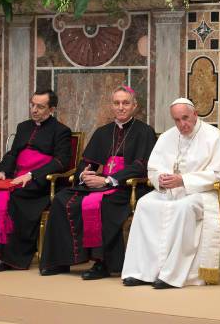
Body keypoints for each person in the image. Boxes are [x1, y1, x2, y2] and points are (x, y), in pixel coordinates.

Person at [121, 98, 220, 289]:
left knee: (183, 208)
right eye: (176, 120)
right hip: (171, 191)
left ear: (195, 114)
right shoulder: (168, 137)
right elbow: (153, 169)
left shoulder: (215, 137)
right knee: (144, 204)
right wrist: (160, 179)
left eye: (185, 118)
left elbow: (219, 176)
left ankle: (173, 275)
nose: (181, 124)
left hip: (205, 193)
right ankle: (142, 272)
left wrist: (184, 180)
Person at [39, 86, 156, 280]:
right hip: (98, 184)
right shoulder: (103, 132)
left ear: (135, 106)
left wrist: (109, 179)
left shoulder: (145, 132)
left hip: (126, 187)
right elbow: (87, 162)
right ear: (111, 106)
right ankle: (60, 261)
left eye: (125, 103)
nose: (121, 107)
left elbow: (141, 166)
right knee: (61, 199)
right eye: (116, 103)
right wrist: (84, 175)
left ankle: (102, 263)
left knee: (101, 204)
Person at [0, 89, 71, 272]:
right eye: (32, 105)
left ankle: (7, 258)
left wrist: (31, 175)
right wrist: (1, 171)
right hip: (17, 178)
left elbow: (60, 161)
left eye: (40, 107)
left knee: (13, 197)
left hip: (39, 183)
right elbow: (13, 154)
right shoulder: (23, 127)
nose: (34, 110)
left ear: (52, 109)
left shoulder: (62, 131)